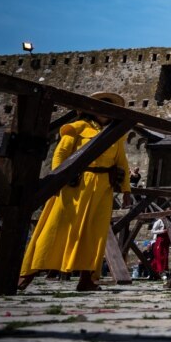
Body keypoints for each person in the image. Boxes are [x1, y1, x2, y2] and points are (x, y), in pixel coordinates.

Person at [18, 92, 132, 292]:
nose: (105, 112)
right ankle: (27, 273)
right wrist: (58, 179)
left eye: (108, 108)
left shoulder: (115, 134)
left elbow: (122, 162)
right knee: (56, 227)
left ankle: (88, 279)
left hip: (102, 187)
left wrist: (126, 191)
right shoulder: (77, 128)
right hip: (75, 185)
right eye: (101, 107)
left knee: (94, 233)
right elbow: (60, 154)